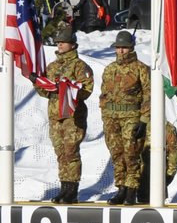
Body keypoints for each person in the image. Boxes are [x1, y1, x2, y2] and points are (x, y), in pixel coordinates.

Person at [37, 25, 94, 203]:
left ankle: (72, 189)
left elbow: (87, 90)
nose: (59, 45)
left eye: (63, 42)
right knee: (60, 152)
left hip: (72, 115)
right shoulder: (52, 67)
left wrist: (69, 89)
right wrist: (43, 85)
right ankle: (64, 186)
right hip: (55, 115)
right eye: (58, 42)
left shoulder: (79, 66)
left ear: (73, 45)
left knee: (71, 152)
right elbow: (44, 91)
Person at [99, 30, 151, 205]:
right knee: (117, 154)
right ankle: (121, 187)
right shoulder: (109, 69)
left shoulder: (140, 69)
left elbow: (148, 95)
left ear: (132, 48)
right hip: (111, 118)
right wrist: (105, 115)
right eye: (119, 48)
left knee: (131, 154)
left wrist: (143, 120)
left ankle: (131, 189)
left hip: (131, 117)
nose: (121, 51)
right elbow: (104, 94)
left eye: (125, 48)